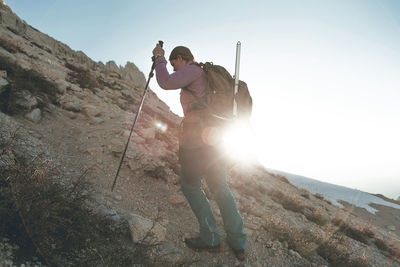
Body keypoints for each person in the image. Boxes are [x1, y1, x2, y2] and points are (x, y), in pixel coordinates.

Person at [152, 44, 246, 261]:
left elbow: (165, 82)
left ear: (181, 58)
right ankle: (237, 241)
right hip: (217, 138)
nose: (175, 70)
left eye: (175, 65)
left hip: (197, 139)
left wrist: (159, 59)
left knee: (190, 186)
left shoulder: (192, 70)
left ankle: (211, 238)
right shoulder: (205, 76)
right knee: (220, 187)